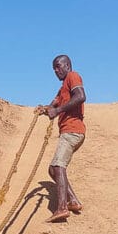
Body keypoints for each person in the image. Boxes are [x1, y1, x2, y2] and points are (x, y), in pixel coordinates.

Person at [36, 54, 86, 223]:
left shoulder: (73, 76)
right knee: (53, 170)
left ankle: (62, 208)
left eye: (58, 66)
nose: (56, 71)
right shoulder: (62, 89)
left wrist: (57, 112)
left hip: (73, 130)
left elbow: (80, 96)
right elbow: (54, 104)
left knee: (58, 166)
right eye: (54, 68)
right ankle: (73, 201)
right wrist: (46, 109)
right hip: (68, 131)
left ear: (67, 65)